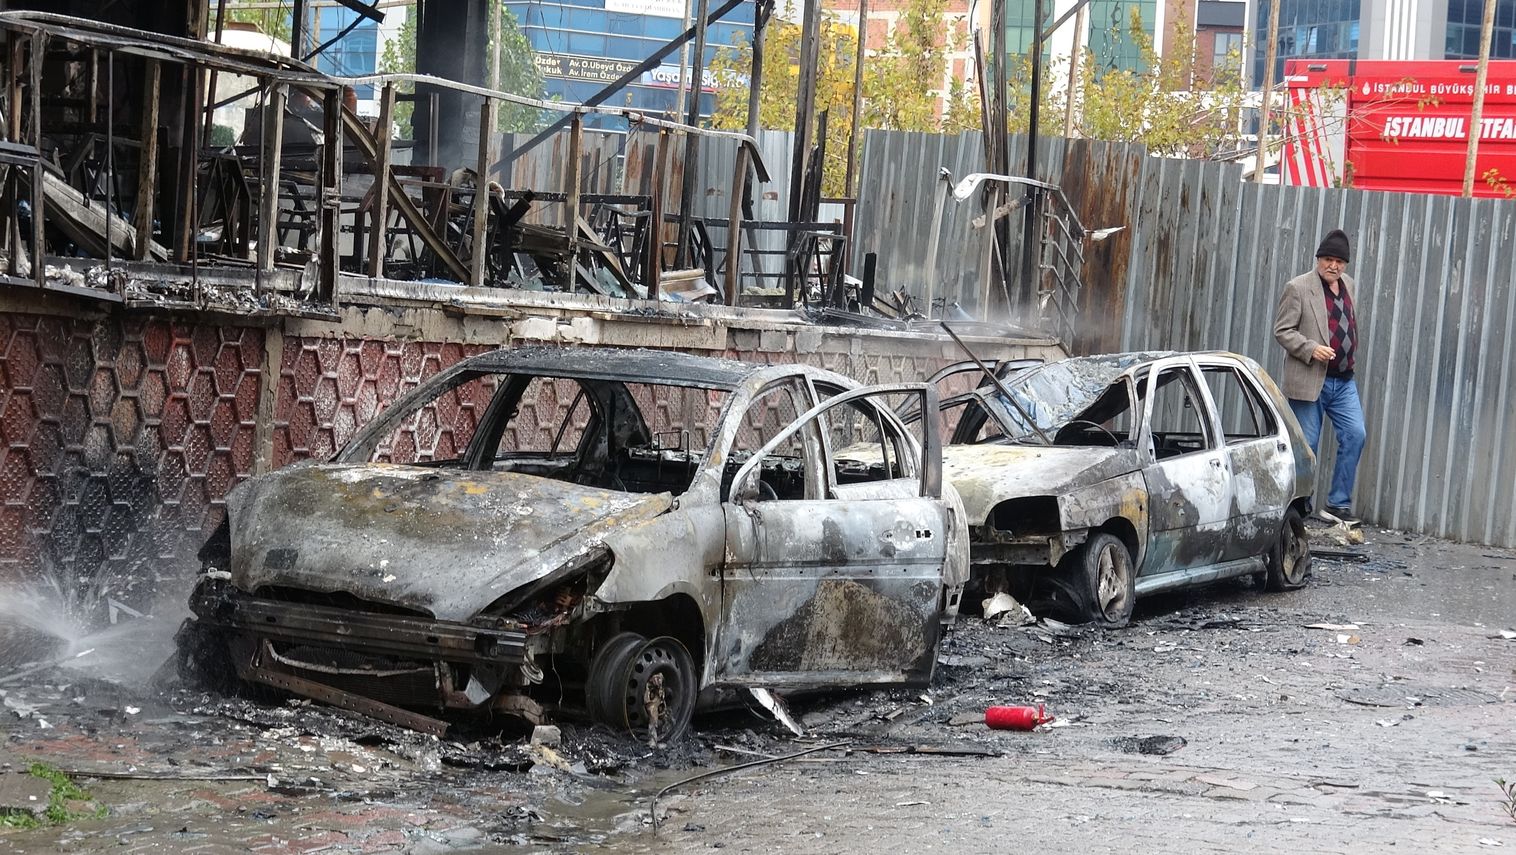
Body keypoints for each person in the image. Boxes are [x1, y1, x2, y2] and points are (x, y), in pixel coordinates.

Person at [1272, 228, 1367, 524]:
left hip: (1344, 381)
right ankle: (1299, 506)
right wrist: (1311, 348)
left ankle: (1337, 504)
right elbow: (1282, 331)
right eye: (1328, 260)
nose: (1333, 266)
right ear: (1318, 259)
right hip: (1310, 380)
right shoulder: (1298, 287)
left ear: (1345, 265)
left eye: (1339, 262)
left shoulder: (1348, 285)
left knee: (1355, 435)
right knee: (1307, 445)